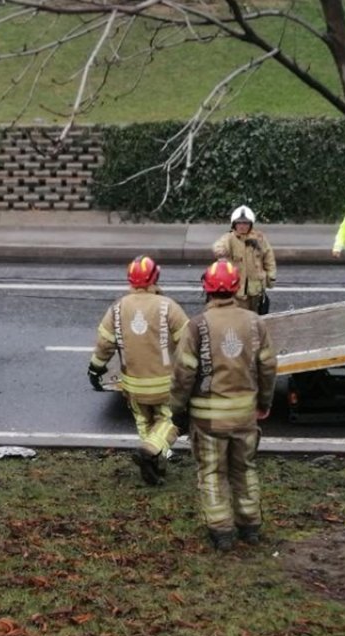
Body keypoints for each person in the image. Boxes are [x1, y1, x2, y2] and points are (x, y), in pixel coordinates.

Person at [171, 259, 278, 551]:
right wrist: (264, 402)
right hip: (245, 416)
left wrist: (177, 409)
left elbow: (183, 374)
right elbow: (268, 367)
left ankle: (222, 532)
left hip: (208, 420)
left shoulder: (196, 326)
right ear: (235, 287)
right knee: (244, 470)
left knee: (212, 473)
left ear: (206, 288)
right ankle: (251, 526)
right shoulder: (255, 323)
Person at [88, 255, 191, 486]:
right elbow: (188, 344)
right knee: (170, 422)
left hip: (132, 384)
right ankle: (152, 452)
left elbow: (104, 344)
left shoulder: (117, 309)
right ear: (156, 278)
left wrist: (95, 369)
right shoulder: (168, 307)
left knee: (145, 423)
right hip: (165, 384)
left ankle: (154, 465)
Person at [212, 205, 277, 314]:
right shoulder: (230, 238)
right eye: (239, 223)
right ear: (234, 224)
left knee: (258, 319)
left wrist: (271, 276)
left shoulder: (259, 238)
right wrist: (220, 252)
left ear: (251, 224)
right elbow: (219, 245)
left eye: (246, 223)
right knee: (240, 318)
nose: (242, 226)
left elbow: (268, 257)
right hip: (238, 291)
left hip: (257, 290)